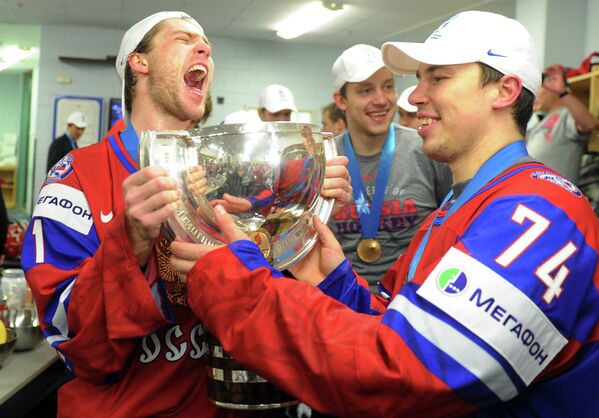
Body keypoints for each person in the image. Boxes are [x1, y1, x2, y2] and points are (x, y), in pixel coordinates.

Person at [172, 11, 599, 418]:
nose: (414, 96)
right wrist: (335, 283)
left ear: (504, 91)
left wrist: (238, 286)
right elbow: (400, 323)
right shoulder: (461, 206)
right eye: (418, 78)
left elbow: (405, 373)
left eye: (439, 77)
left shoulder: (539, 212)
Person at [21, 11, 351, 417]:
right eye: (182, 39)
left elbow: (266, 295)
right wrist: (131, 243)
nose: (205, 49)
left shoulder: (224, 172)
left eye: (207, 44)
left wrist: (302, 214)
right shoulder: (77, 178)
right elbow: (77, 348)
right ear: (139, 63)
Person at [328, 43, 451, 289]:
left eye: (388, 86)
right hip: (340, 299)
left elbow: (452, 227)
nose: (381, 100)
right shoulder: (323, 159)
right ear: (341, 100)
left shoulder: (427, 149)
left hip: (411, 299)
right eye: (365, 91)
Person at [526, 64, 598, 184]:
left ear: (553, 89)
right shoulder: (538, 124)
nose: (535, 95)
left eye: (540, 88)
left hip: (556, 198)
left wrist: (563, 92)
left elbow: (589, 124)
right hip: (533, 194)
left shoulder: (567, 115)